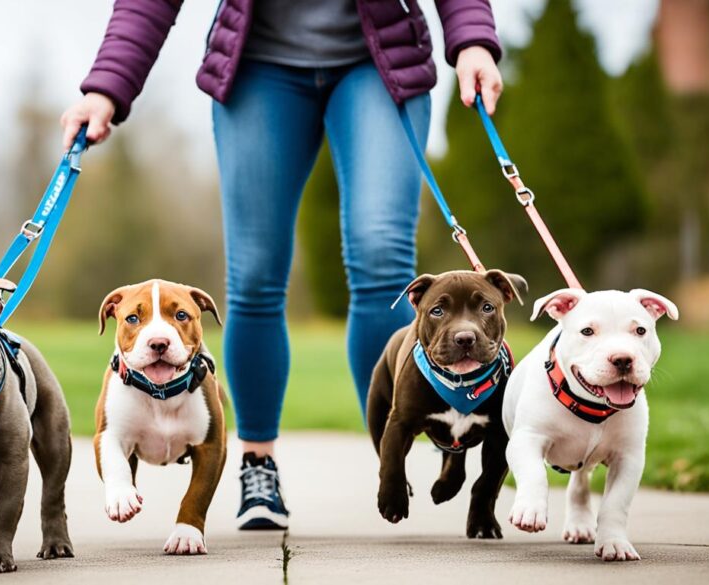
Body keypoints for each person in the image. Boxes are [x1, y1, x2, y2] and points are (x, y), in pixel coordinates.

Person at [62, 0, 504, 531]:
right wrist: (106, 83)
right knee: (253, 274)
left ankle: (413, 433)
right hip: (258, 65)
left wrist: (473, 36)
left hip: (379, 58)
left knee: (382, 258)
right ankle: (257, 463)